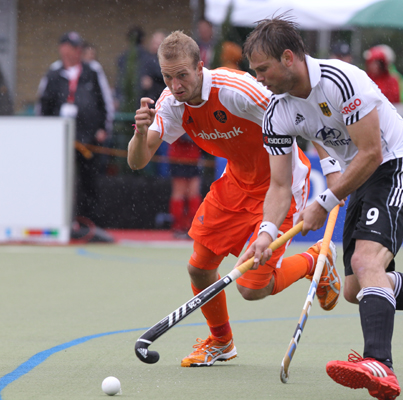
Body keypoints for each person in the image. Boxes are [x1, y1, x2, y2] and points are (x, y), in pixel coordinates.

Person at [240, 17, 403, 400]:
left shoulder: (340, 81)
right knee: (357, 288)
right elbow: (280, 185)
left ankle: (379, 364)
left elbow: (371, 152)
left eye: (262, 69)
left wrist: (324, 202)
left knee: (366, 262)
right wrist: (266, 233)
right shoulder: (277, 112)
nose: (258, 79)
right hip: (362, 179)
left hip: (397, 164)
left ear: (288, 58)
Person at [127, 30, 340, 367]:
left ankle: (315, 261)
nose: (176, 85)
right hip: (236, 184)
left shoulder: (237, 91)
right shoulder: (171, 104)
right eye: (168, 77)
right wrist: (140, 134)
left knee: (252, 288)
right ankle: (221, 342)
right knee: (199, 268)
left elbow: (303, 115)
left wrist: (332, 169)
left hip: (280, 186)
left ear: (200, 67)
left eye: (182, 75)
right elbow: (137, 161)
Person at [37, 31, 115, 226]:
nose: (76, 51)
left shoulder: (92, 71)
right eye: (72, 47)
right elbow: (43, 106)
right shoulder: (53, 73)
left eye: (78, 47)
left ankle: (87, 223)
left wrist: (103, 128)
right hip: (60, 140)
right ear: (62, 49)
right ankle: (59, 220)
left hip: (88, 139)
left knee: (89, 181)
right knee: (59, 181)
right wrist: (46, 133)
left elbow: (105, 101)